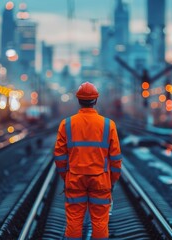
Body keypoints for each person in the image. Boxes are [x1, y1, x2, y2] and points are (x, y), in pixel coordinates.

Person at [54, 82, 122, 240]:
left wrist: (66, 176)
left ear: (78, 100)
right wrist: (112, 181)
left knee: (74, 220)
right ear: (96, 100)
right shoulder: (108, 125)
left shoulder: (67, 124)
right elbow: (116, 158)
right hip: (100, 180)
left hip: (75, 179)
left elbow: (59, 155)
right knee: (99, 221)